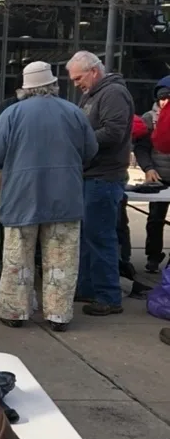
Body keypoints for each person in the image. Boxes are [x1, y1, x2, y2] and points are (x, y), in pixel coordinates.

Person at [0, 62, 97, 331]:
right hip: (65, 197)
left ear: (25, 88)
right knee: (62, 260)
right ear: (53, 84)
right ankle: (59, 315)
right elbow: (90, 150)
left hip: (22, 197)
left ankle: (15, 312)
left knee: (18, 259)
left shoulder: (12, 114)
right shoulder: (74, 112)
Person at [67, 50, 134, 316]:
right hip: (92, 175)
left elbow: (114, 133)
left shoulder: (113, 94)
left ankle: (108, 296)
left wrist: (79, 142)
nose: (76, 84)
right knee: (87, 236)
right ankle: (88, 288)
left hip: (104, 177)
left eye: (78, 78)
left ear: (94, 71)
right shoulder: (93, 94)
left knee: (100, 237)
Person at [134, 77, 170, 272]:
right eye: (161, 98)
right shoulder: (149, 118)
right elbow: (141, 148)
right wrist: (148, 168)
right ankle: (153, 256)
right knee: (155, 219)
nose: (165, 102)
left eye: (168, 98)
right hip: (158, 176)